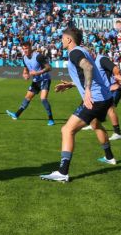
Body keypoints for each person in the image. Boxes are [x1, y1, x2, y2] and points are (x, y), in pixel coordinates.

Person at [40, 27, 117, 183]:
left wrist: (87, 90)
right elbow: (87, 73)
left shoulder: (74, 52)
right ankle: (109, 157)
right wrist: (71, 84)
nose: (60, 41)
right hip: (105, 97)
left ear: (69, 39)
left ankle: (63, 172)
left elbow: (87, 68)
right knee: (96, 124)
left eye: (62, 38)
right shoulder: (82, 51)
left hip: (95, 99)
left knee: (67, 129)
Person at [5, 41, 54, 125]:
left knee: (43, 99)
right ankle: (16, 115)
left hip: (44, 79)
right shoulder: (24, 58)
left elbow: (49, 68)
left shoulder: (38, 57)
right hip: (36, 81)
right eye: (24, 49)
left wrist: (38, 73)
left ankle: (51, 119)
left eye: (27, 48)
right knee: (27, 97)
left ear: (30, 47)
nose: (25, 50)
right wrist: (25, 74)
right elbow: (25, 69)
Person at [95, 52, 121, 140]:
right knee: (98, 105)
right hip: (107, 89)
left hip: (115, 88)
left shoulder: (102, 59)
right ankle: (95, 123)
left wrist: (117, 83)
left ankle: (117, 133)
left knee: (109, 108)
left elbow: (115, 69)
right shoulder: (93, 62)